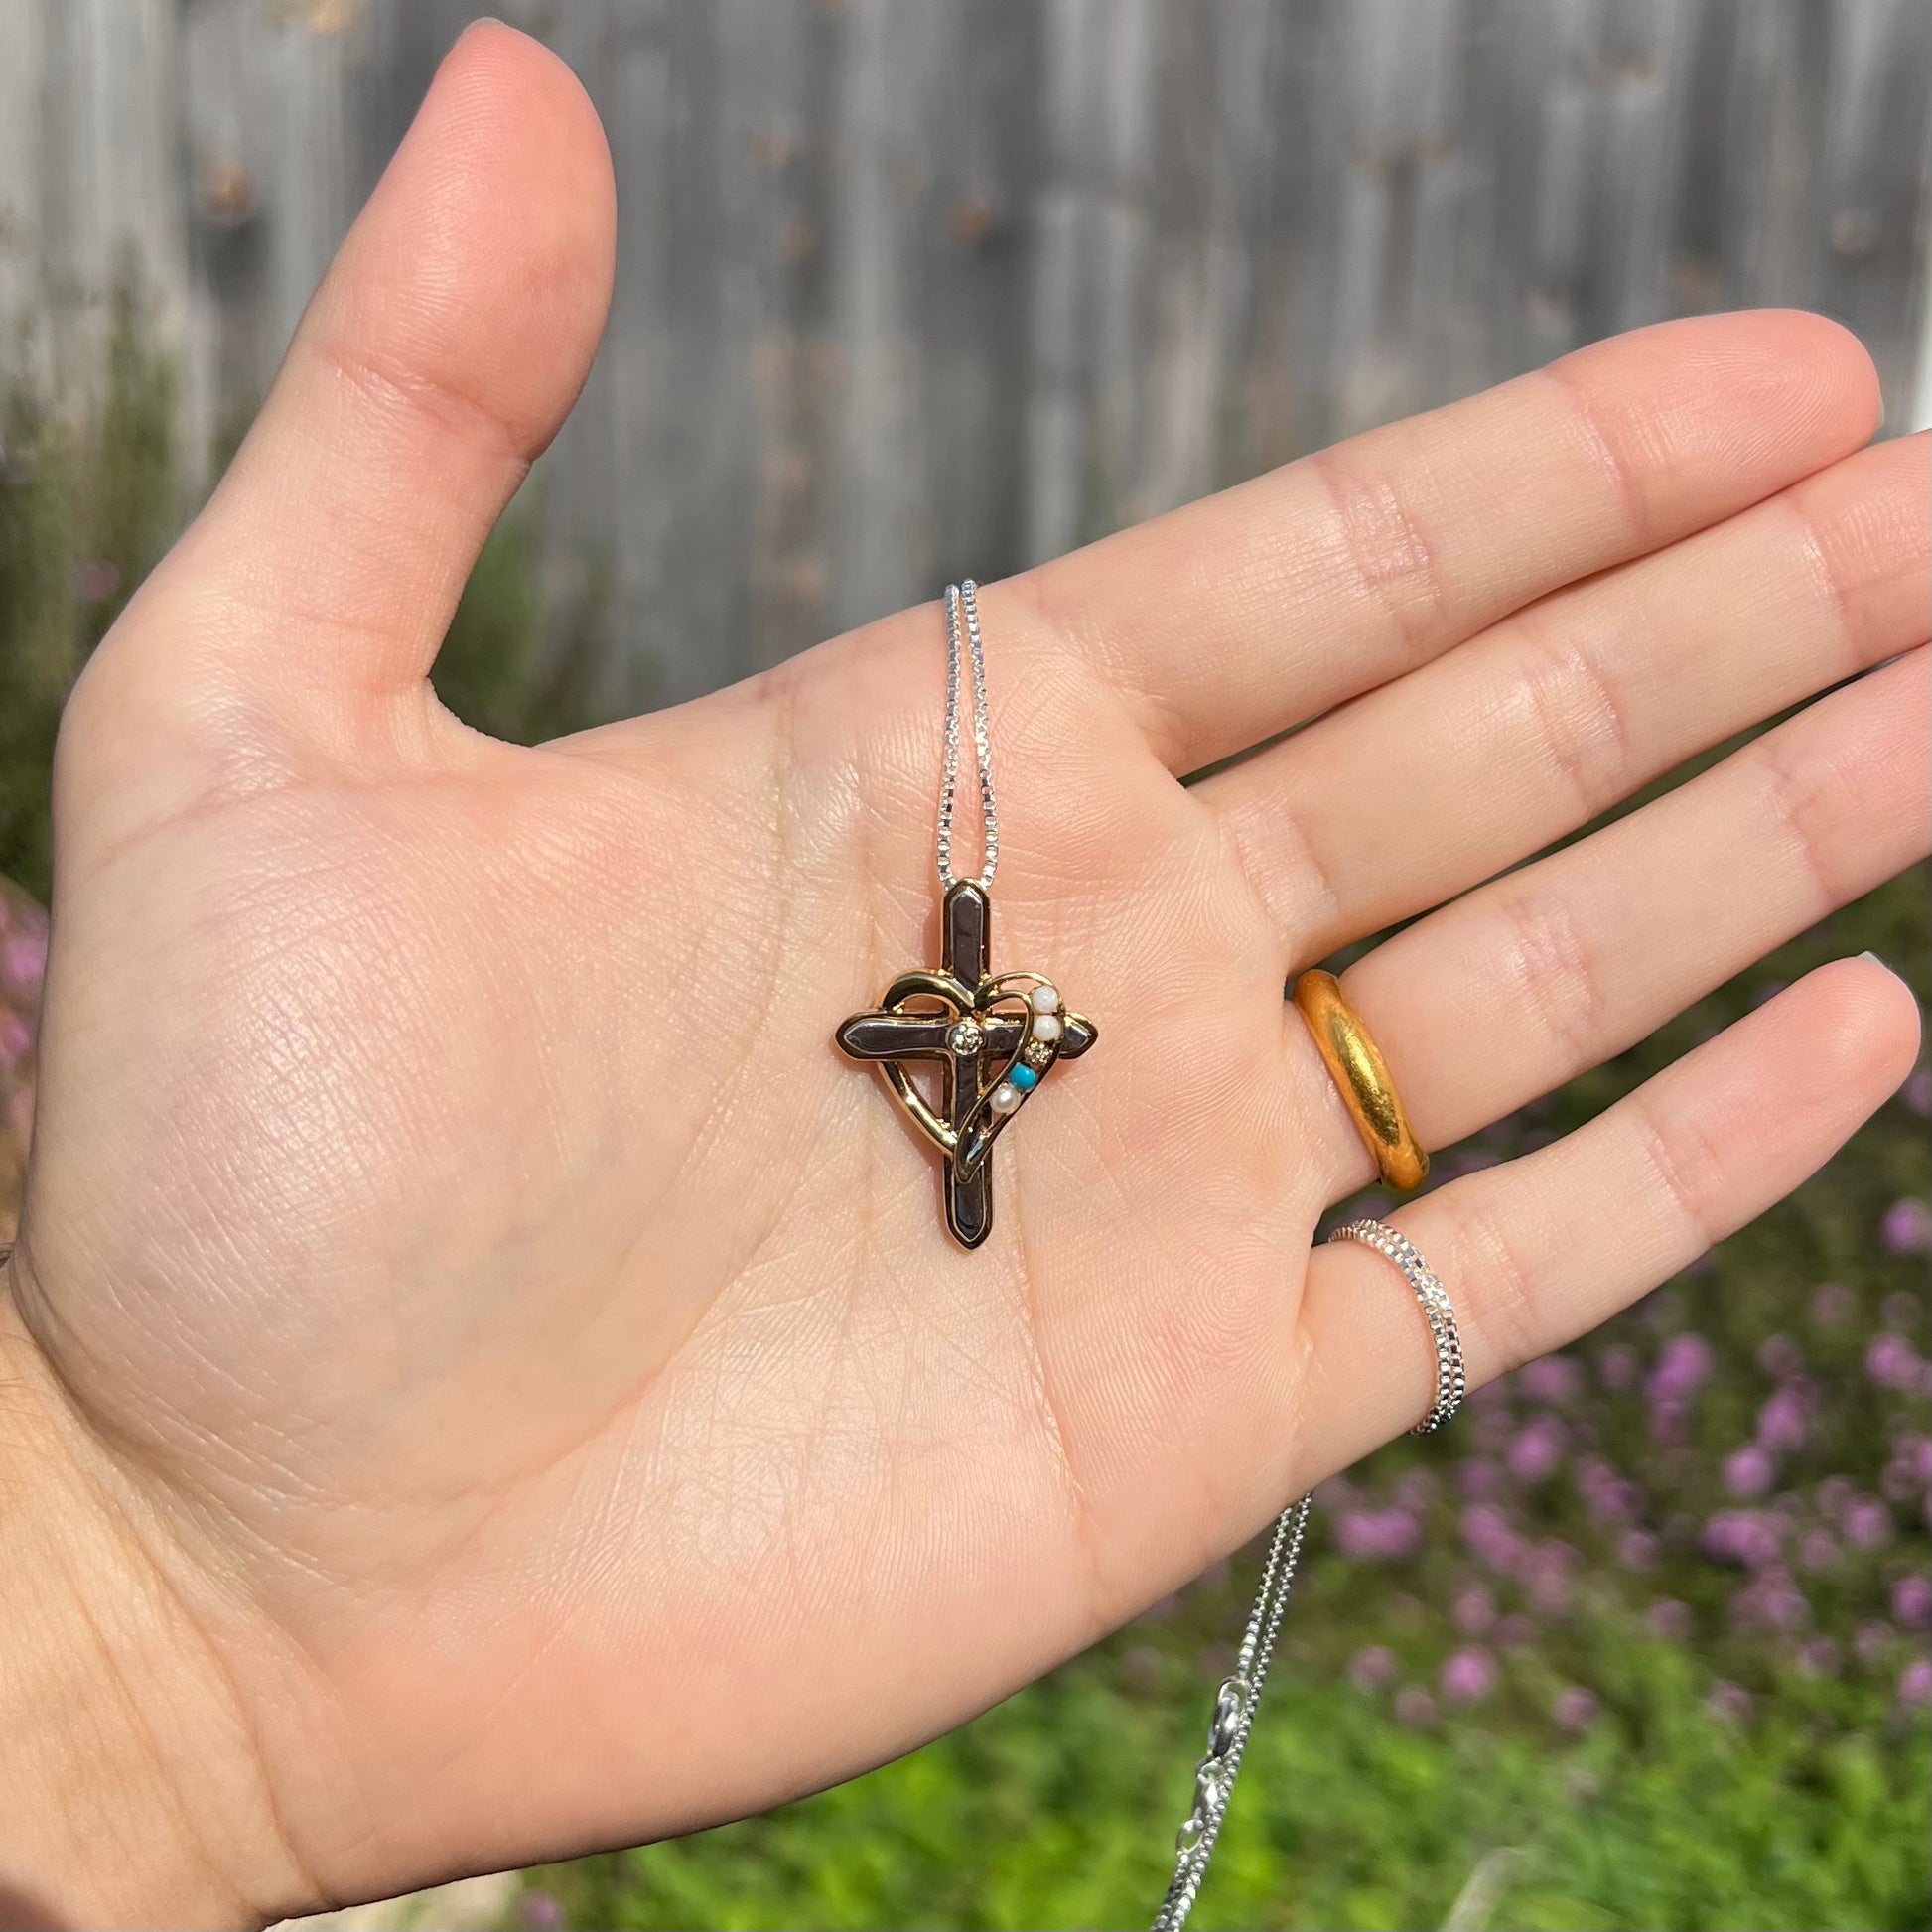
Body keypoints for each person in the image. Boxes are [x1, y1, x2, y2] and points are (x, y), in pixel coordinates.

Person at [0, 22, 1924, 1930]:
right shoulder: (939, 1042)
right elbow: (914, 1041)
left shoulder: (968, 1038)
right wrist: (130, 1554)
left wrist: (138, 1625)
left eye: (996, 1048)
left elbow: (947, 1040)